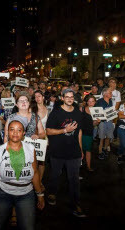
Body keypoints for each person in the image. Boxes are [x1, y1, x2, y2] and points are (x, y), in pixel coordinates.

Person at [46, 88, 86, 217]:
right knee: (55, 175)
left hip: (73, 152)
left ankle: (76, 204)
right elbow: (48, 131)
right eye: (67, 97)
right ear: (62, 98)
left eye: (71, 97)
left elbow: (79, 132)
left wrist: (80, 149)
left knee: (74, 179)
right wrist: (64, 130)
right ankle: (52, 193)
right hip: (57, 150)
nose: (69, 99)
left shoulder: (78, 114)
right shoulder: (56, 113)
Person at [31, 90, 49, 184]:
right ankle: (32, 180)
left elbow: (49, 126)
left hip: (43, 137)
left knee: (42, 161)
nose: (37, 98)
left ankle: (39, 181)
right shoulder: (31, 109)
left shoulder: (48, 110)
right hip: (32, 137)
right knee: (32, 160)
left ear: (43, 97)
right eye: (35, 96)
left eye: (39, 96)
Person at [81, 95, 100, 171]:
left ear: (95, 102)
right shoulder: (82, 109)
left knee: (88, 150)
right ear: (86, 102)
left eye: (92, 101)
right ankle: (77, 167)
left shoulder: (97, 111)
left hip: (89, 132)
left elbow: (93, 124)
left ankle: (88, 166)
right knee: (80, 150)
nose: (91, 103)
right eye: (89, 101)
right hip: (80, 132)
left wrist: (97, 122)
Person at [96, 87, 114, 160]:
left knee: (109, 137)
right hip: (102, 122)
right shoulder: (99, 101)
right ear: (105, 94)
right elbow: (97, 113)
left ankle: (105, 149)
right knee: (101, 138)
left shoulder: (111, 101)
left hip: (109, 121)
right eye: (110, 92)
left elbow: (111, 111)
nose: (111, 94)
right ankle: (100, 152)